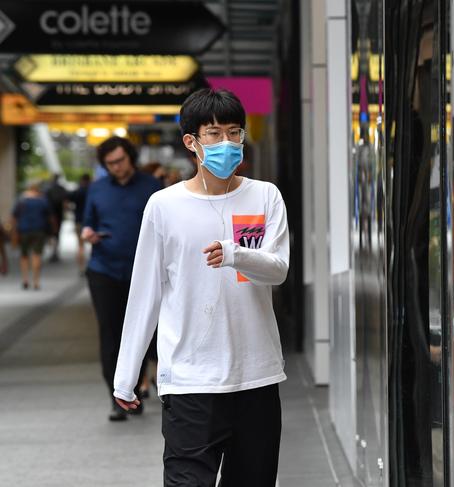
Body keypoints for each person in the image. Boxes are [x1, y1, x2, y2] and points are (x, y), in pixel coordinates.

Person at [113, 88, 289, 486]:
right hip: (190, 379)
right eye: (214, 133)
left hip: (256, 377)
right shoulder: (164, 205)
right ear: (191, 141)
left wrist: (235, 254)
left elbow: (275, 270)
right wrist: (127, 375)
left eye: (234, 132)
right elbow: (146, 294)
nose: (226, 142)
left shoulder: (263, 197)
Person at [81, 136, 162, 422]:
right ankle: (116, 397)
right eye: (110, 164)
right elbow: (87, 221)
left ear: (131, 157)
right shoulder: (98, 188)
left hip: (143, 272)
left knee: (141, 332)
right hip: (104, 270)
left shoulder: (151, 187)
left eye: (120, 161)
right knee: (110, 334)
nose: (116, 167)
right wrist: (88, 233)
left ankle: (133, 392)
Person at [10, 181, 54, 290]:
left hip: (24, 230)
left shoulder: (21, 200)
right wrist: (52, 231)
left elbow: (14, 217)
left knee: (24, 256)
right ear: (37, 189)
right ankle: (36, 281)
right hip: (39, 230)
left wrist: (13, 231)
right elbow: (50, 217)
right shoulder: (43, 201)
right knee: (37, 255)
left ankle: (25, 279)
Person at [67, 173, 91, 275]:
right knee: (94, 245)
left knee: (80, 246)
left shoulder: (77, 191)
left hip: (78, 221)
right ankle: (91, 267)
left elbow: (68, 200)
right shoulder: (92, 191)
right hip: (91, 221)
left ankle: (81, 268)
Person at [44, 173, 68, 263]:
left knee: (50, 233)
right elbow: (65, 203)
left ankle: (52, 251)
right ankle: (55, 252)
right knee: (57, 234)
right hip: (59, 215)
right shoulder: (62, 189)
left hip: (49, 215)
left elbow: (44, 202)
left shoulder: (48, 189)